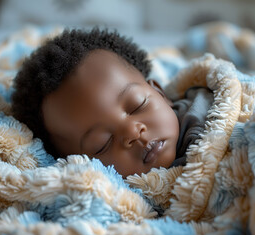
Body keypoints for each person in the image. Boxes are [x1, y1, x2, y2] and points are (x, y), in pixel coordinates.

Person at [11, 28, 213, 178]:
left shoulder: (208, 116)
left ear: (159, 93)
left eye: (137, 105)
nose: (133, 132)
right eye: (102, 144)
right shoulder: (112, 197)